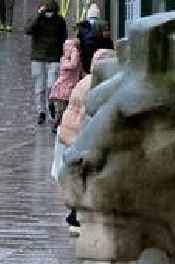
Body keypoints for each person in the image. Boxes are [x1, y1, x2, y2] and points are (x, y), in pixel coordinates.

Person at [52, 48, 117, 236]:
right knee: (86, 178)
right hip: (78, 137)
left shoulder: (86, 81)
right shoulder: (98, 85)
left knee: (79, 176)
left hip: (68, 135)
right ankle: (77, 217)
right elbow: (87, 118)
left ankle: (76, 216)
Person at [25, 0, 66, 125]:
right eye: (47, 12)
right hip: (38, 57)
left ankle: (51, 104)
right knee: (40, 87)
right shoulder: (36, 19)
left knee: (52, 85)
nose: (49, 15)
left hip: (54, 57)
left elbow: (63, 37)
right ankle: (41, 112)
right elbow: (28, 30)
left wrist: (62, 54)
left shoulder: (59, 21)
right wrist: (39, 16)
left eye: (51, 12)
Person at [49, 38, 81, 133]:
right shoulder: (64, 59)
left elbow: (75, 66)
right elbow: (70, 65)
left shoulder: (76, 58)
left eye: (69, 46)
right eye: (65, 46)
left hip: (71, 87)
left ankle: (64, 124)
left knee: (68, 108)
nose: (66, 48)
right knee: (61, 108)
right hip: (62, 87)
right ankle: (56, 124)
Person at [76, 3, 113, 72]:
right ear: (98, 14)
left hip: (85, 56)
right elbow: (107, 40)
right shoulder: (103, 24)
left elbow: (78, 41)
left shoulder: (82, 26)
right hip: (100, 55)